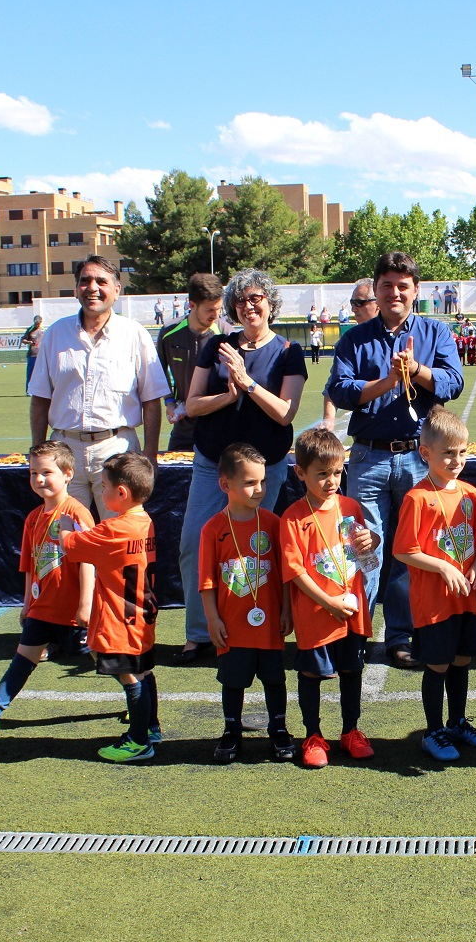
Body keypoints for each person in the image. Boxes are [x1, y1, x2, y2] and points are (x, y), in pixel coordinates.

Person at [327, 252, 464, 670]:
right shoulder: (354, 338)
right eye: (387, 285)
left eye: (403, 285)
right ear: (377, 290)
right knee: (364, 548)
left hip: (419, 457)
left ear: (416, 290)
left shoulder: (435, 332)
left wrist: (416, 370)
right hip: (368, 457)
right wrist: (387, 380)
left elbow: (453, 381)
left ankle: (401, 636)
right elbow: (341, 391)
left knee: (410, 550)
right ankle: (359, 632)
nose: (395, 293)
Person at [176, 269, 306, 664]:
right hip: (212, 465)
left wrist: (247, 383)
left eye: (256, 298)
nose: (249, 306)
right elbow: (192, 405)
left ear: (269, 303)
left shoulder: (288, 351)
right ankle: (199, 634)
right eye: (242, 300)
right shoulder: (216, 345)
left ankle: (258, 629)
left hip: (265, 469)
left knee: (259, 551)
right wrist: (227, 394)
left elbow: (285, 413)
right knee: (194, 544)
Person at [0, 441, 95, 744]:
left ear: (68, 474)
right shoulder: (33, 518)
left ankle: (138, 704)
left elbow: (88, 562)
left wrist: (86, 605)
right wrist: (27, 603)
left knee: (109, 659)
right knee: (22, 660)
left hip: (74, 611)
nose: (39, 479)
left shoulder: (76, 512)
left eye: (47, 472)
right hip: (43, 607)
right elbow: (30, 564)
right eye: (33, 473)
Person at [29, 256, 168, 514]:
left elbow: (151, 400)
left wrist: (150, 453)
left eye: (101, 281)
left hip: (117, 448)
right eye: (85, 281)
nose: (92, 287)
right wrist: (37, 453)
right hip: (63, 451)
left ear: (116, 290)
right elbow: (40, 398)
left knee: (118, 537)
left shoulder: (134, 334)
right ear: (76, 289)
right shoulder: (56, 334)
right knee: (67, 537)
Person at [392, 407, 476, 761]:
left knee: (462, 660)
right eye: (448, 452)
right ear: (426, 454)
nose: (456, 460)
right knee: (437, 664)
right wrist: (442, 567)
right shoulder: (417, 498)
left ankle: (458, 722)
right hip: (434, 601)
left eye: (462, 452)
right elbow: (404, 550)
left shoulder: (471, 494)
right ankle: (432, 731)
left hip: (465, 598)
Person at [280, 427, 379, 767]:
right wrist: (329, 602)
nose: (331, 481)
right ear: (300, 473)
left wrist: (373, 543)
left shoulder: (350, 506)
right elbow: (295, 571)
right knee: (311, 675)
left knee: (352, 671)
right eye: (321, 474)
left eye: (337, 472)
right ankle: (313, 735)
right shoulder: (293, 517)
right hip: (316, 613)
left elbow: (367, 560)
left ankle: (351, 731)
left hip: (353, 612)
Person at [59, 452, 161, 763]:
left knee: (131, 677)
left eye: (103, 486)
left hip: (120, 618)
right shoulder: (145, 521)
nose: (100, 493)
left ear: (121, 493)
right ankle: (151, 727)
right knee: (143, 671)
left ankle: (139, 740)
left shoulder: (114, 529)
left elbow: (69, 544)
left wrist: (65, 518)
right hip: (142, 615)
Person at [198, 443, 294, 764]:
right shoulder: (213, 529)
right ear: (226, 485)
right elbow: (207, 582)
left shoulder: (272, 523)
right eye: (250, 482)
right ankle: (231, 731)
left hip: (268, 625)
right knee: (233, 681)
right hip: (232, 625)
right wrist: (213, 619)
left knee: (274, 678)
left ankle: (279, 728)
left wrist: (286, 611)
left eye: (263, 481)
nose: (259, 489)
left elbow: (284, 575)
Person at [157, 273, 224, 453]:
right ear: (192, 305)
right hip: (183, 429)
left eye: (219, 309)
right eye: (210, 310)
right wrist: (169, 401)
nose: (215, 315)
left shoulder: (226, 334)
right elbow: (159, 373)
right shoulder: (168, 333)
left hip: (219, 429)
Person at [321, 279, 377, 429]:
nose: (353, 308)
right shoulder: (348, 341)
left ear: (378, 303)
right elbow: (333, 385)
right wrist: (328, 420)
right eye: (352, 303)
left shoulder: (404, 336)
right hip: (366, 439)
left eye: (359, 303)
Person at [21, 315, 44, 396]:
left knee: (42, 374)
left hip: (41, 356)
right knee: (30, 373)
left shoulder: (42, 331)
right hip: (32, 355)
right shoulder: (30, 330)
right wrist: (29, 342)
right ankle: (28, 390)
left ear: (41, 322)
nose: (37, 325)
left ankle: (40, 391)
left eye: (38, 323)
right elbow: (23, 340)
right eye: (35, 323)